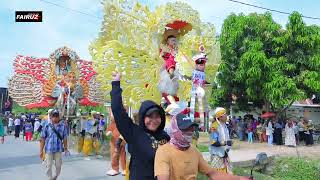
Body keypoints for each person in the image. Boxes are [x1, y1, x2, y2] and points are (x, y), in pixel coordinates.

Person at [110, 71, 170, 180]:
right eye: (149, 116)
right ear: (143, 117)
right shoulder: (134, 133)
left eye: (157, 116)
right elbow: (117, 111)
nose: (153, 120)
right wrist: (116, 84)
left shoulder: (165, 137)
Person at [155, 113, 247, 180]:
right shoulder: (163, 151)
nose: (190, 131)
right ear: (175, 130)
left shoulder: (194, 151)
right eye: (185, 129)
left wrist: (239, 178)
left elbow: (213, 173)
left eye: (191, 128)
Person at [40, 109, 69, 180]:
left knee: (58, 165)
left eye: (56, 116)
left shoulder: (63, 126)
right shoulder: (47, 125)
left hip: (58, 149)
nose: (55, 118)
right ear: (51, 117)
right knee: (49, 165)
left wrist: (65, 148)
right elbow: (43, 138)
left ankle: (55, 176)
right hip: (49, 149)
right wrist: (41, 150)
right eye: (54, 116)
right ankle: (50, 177)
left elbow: (65, 138)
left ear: (59, 117)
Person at [209, 107, 233, 173]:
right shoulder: (214, 126)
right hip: (217, 155)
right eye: (225, 114)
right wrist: (226, 143)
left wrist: (228, 144)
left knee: (228, 174)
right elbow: (213, 142)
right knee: (218, 175)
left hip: (225, 154)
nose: (226, 116)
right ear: (220, 116)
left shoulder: (224, 125)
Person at [105, 111, 126, 176]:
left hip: (122, 141)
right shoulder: (112, 123)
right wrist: (108, 133)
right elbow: (108, 131)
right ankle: (115, 169)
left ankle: (124, 169)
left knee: (123, 156)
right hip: (113, 142)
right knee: (114, 155)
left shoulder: (123, 122)